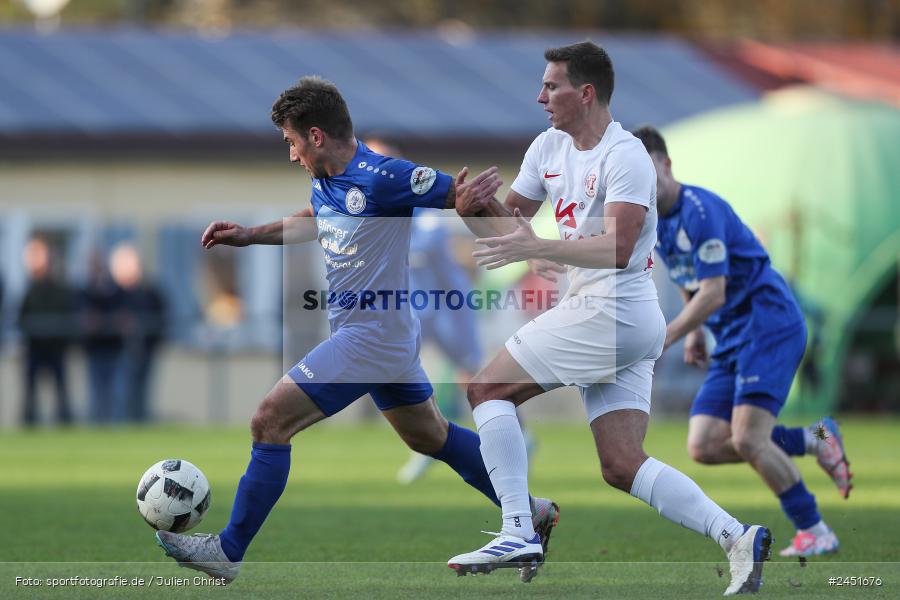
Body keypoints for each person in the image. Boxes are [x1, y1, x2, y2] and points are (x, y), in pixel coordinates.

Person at [154, 76, 559, 584]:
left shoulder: (384, 176)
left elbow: (463, 197)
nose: (291, 153)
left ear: (316, 135)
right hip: (385, 335)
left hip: (370, 337)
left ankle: (227, 550)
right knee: (430, 437)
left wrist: (530, 245)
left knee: (269, 421)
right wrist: (249, 235)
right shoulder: (327, 178)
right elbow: (315, 218)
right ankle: (532, 510)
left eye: (292, 141)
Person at [448, 41, 770, 595]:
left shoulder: (626, 156)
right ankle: (737, 536)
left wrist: (541, 245)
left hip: (614, 308)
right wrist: (472, 211)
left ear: (586, 92)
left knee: (485, 391)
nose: (540, 96)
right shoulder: (546, 147)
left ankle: (518, 528)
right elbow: (510, 234)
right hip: (610, 314)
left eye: (551, 86)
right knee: (622, 464)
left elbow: (619, 246)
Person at [632, 125, 850, 558]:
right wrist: (695, 330)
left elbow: (715, 292)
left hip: (768, 325)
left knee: (749, 439)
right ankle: (814, 439)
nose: (640, 181)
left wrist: (668, 336)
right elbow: (690, 281)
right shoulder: (653, 221)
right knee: (704, 445)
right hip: (732, 336)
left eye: (646, 169)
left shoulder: (699, 211)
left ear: (666, 164)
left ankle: (816, 530)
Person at [362, 138, 534, 484]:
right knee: (403, 368)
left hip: (447, 305)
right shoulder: (370, 209)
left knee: (472, 376)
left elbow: (425, 246)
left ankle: (519, 435)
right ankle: (425, 444)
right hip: (412, 306)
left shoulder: (418, 209)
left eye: (378, 160)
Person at [18, 237, 76, 426]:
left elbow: (66, 312)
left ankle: (64, 421)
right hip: (34, 346)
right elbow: (22, 316)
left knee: (60, 388)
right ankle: (30, 422)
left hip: (55, 347)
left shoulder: (58, 288)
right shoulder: (29, 288)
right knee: (30, 390)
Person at [109, 242, 167, 422]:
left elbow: (161, 315)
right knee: (121, 392)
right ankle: (120, 426)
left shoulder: (149, 291)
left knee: (141, 391)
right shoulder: (113, 293)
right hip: (118, 351)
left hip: (146, 349)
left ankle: (139, 423)